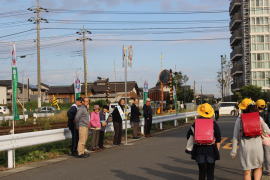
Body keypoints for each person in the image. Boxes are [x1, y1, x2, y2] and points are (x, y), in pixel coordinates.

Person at [231, 98, 270, 180]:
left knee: (247, 171)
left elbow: (235, 136)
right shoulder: (258, 118)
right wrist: (263, 133)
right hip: (258, 148)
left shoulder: (239, 119)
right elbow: (267, 131)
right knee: (258, 168)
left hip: (245, 149)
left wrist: (234, 151)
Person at [186, 103, 221, 180]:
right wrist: (216, 150)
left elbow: (188, 136)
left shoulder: (195, 124)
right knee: (210, 172)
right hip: (211, 149)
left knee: (202, 171)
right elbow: (218, 138)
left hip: (199, 149)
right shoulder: (213, 123)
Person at [256, 99, 270, 176]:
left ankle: (258, 168)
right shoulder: (267, 113)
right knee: (267, 153)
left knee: (258, 154)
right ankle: (268, 170)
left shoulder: (255, 114)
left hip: (258, 136)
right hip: (267, 136)